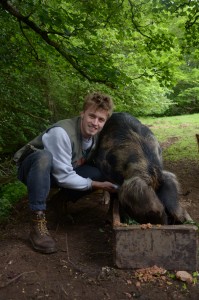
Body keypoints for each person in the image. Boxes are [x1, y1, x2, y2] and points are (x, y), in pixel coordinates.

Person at [14, 92, 116, 254]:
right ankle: (37, 221)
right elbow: (63, 176)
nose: (95, 123)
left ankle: (59, 201)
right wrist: (96, 185)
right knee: (44, 157)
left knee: (97, 173)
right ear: (82, 114)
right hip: (33, 170)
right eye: (92, 116)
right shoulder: (61, 133)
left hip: (60, 170)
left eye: (101, 119)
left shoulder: (95, 137)